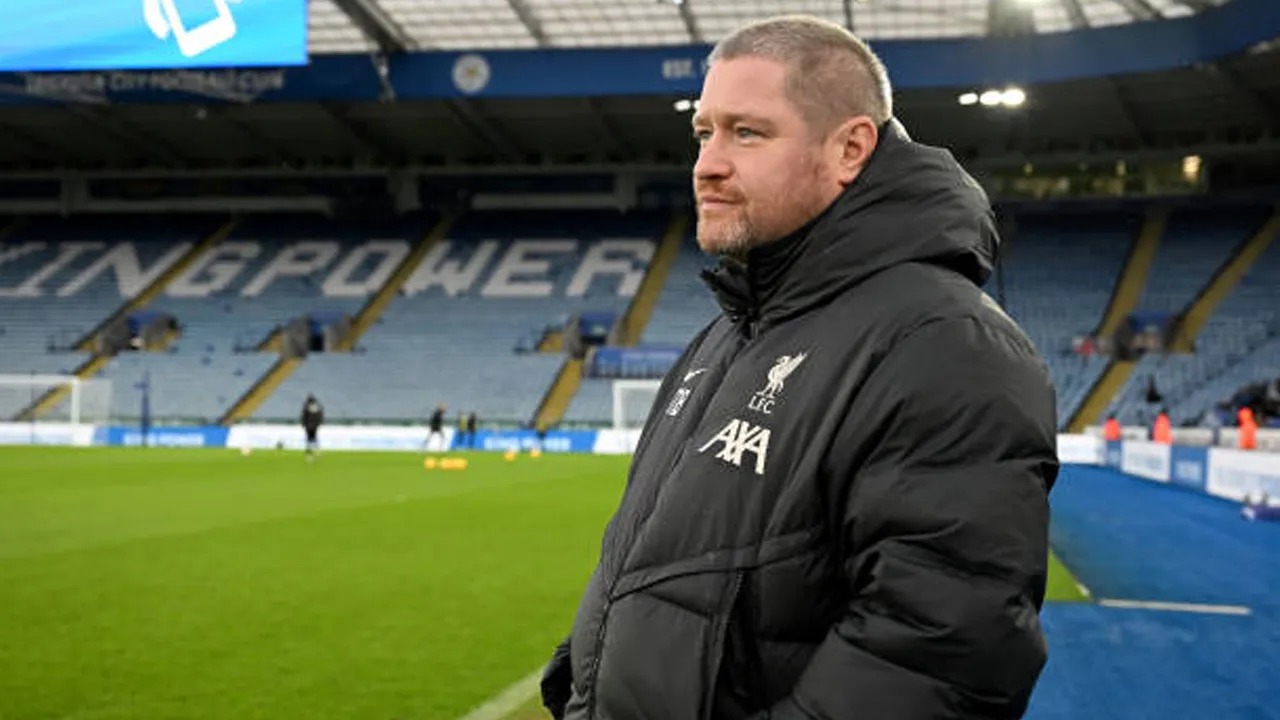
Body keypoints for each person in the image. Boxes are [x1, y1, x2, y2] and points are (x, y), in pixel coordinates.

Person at [540, 15, 1059, 720]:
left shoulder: (948, 345)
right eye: (703, 133)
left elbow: (938, 659)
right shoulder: (728, 334)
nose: (707, 164)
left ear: (850, 148)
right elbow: (649, 571)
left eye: (747, 133)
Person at [300, 393, 324, 462]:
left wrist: (303, 424)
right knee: (314, 438)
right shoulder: (317, 407)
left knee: (309, 440)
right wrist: (319, 423)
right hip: (314, 426)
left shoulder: (306, 407)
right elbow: (320, 416)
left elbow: (304, 417)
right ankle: (317, 451)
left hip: (308, 426)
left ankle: (309, 455)